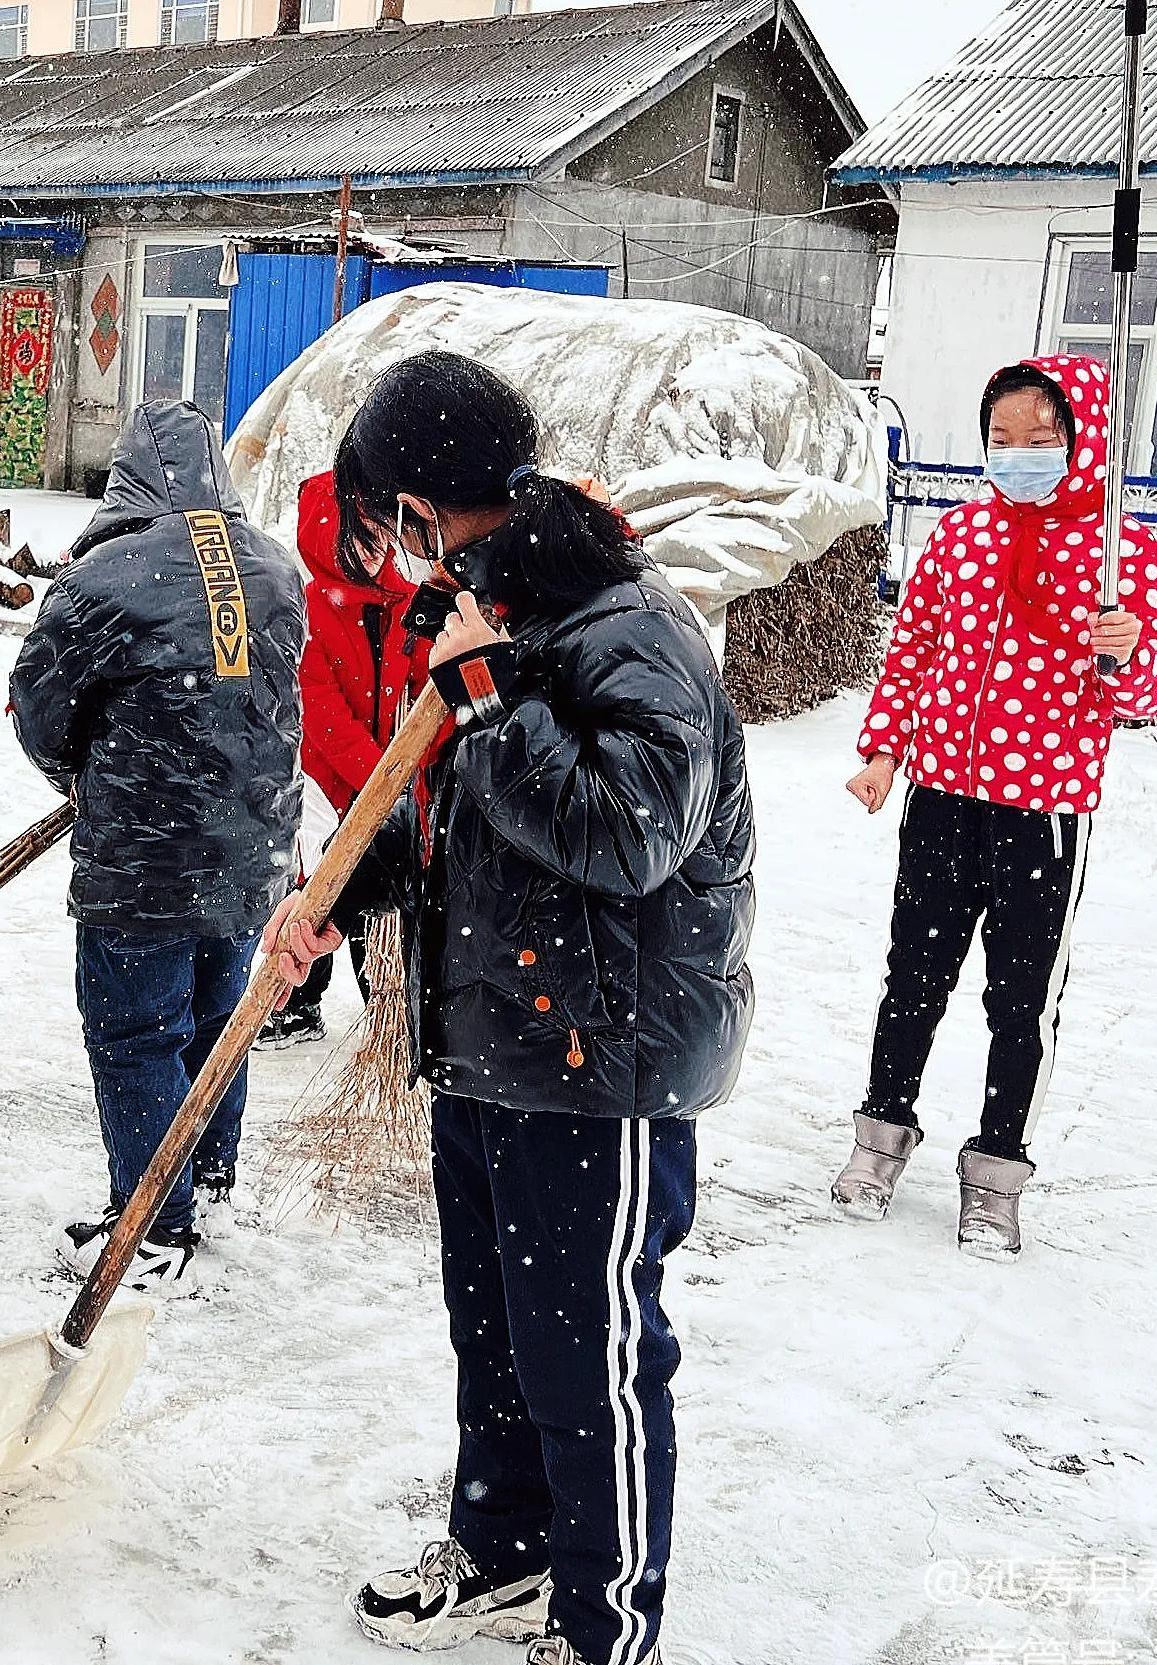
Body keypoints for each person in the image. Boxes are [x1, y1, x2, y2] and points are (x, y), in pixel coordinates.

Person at [262, 353, 753, 1665]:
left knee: (591, 1360)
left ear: (422, 498)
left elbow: (629, 832)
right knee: (501, 1338)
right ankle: (503, 1556)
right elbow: (442, 812)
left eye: (380, 514)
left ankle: (604, 1625)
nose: (378, 544)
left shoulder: (625, 623)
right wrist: (335, 891)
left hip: (602, 1054)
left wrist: (486, 702)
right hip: (489, 1038)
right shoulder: (492, 603)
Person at [831, 353, 1157, 1256]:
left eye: (1041, 438)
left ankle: (994, 1173)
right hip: (942, 796)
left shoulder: (1117, 552)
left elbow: (1142, 696)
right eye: (1002, 437)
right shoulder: (959, 536)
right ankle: (880, 1137)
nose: (1018, 453)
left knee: (1019, 1001)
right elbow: (913, 653)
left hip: (1044, 812)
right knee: (912, 979)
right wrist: (883, 749)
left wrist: (1126, 644)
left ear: (1082, 440)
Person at [8, 399, 305, 1286]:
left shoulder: (103, 577)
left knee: (136, 1033)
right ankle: (206, 1183)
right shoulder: (275, 567)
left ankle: (150, 1229)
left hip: (142, 861)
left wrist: (79, 773)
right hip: (250, 848)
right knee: (216, 1024)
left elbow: (39, 709)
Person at [255, 469, 435, 1050]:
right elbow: (323, 717)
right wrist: (384, 784)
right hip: (326, 780)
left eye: (383, 535)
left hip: (388, 773)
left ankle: (392, 1013)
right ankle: (297, 1004)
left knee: (381, 900)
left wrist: (411, 772)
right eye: (362, 538)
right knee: (320, 890)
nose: (376, 550)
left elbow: (429, 687)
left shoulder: (406, 604)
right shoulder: (308, 612)